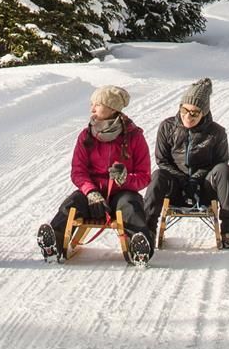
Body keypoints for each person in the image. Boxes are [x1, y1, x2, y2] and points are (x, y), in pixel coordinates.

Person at [38, 84, 153, 264]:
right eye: (92, 104)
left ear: (112, 108)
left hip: (122, 192)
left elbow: (144, 176)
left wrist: (124, 179)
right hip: (93, 192)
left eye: (97, 104)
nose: (92, 109)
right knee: (71, 204)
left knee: (130, 207)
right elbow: (78, 171)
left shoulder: (134, 137)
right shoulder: (86, 136)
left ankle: (140, 248)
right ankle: (54, 244)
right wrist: (90, 191)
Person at [148, 77, 229, 248]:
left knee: (225, 170)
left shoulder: (216, 133)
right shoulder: (167, 127)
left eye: (194, 113)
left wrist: (196, 179)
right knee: (158, 176)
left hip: (204, 188)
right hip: (176, 186)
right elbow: (162, 160)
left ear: (203, 113)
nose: (188, 117)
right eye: (184, 110)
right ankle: (146, 231)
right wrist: (183, 180)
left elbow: (220, 161)